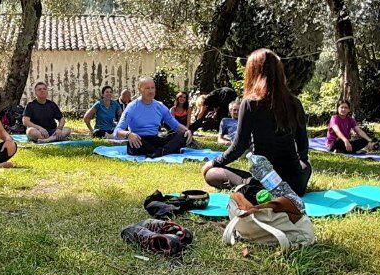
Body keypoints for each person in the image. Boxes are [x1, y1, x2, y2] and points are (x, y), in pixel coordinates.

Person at [202, 48, 311, 197]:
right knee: (306, 167)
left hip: (266, 182)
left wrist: (214, 163)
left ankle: (258, 190)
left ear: (253, 72)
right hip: (296, 184)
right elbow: (303, 148)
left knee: (212, 173)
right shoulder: (295, 102)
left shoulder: (250, 103)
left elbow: (239, 146)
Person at [113, 77, 192, 158]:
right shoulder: (132, 107)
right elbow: (117, 131)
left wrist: (187, 131)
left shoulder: (160, 106)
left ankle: (159, 152)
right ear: (140, 90)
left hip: (155, 139)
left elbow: (176, 125)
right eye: (147, 88)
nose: (151, 91)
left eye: (152, 88)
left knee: (183, 134)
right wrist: (128, 134)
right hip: (139, 140)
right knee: (134, 145)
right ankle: (166, 150)